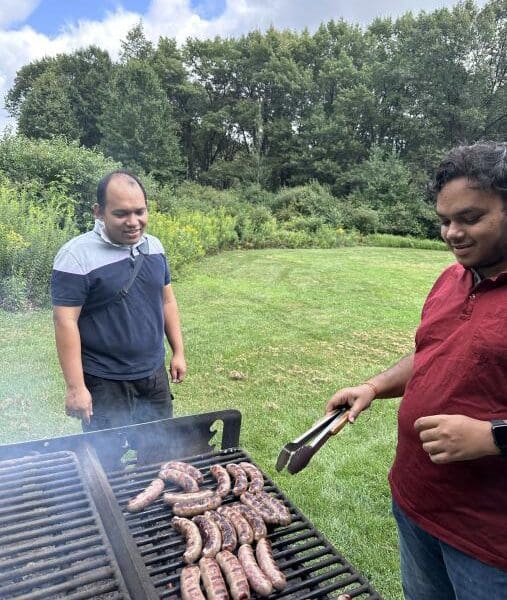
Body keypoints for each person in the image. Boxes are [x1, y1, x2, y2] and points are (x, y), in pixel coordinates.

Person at [326, 141, 507, 600]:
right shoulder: (453, 278)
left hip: (489, 540)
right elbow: (433, 354)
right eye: (445, 221)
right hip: (416, 503)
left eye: (470, 218)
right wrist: (374, 386)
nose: (452, 234)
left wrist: (492, 436)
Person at [51, 169, 186, 466]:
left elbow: (166, 300)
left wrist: (178, 351)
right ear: (99, 212)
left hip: (152, 374)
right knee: (105, 460)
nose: (134, 222)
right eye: (121, 213)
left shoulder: (154, 247)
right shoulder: (76, 256)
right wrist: (76, 387)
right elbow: (65, 322)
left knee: (159, 454)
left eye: (140, 211)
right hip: (104, 380)